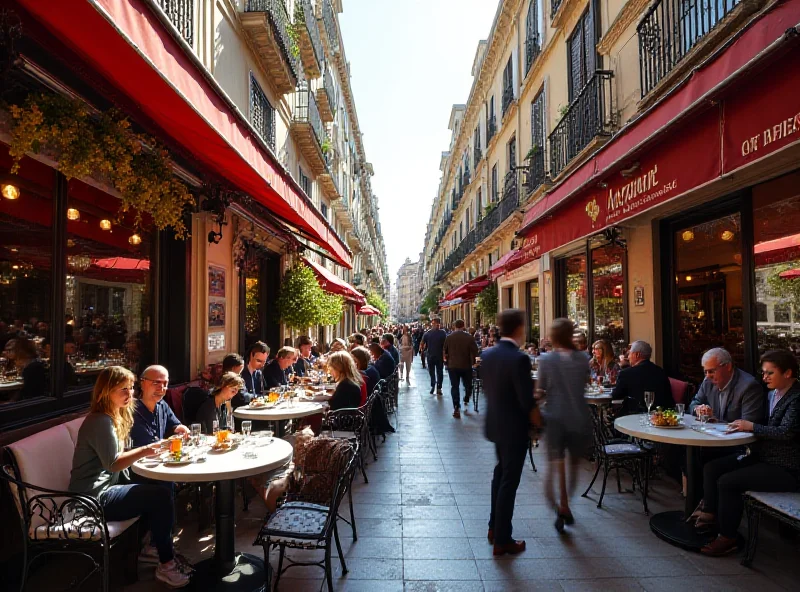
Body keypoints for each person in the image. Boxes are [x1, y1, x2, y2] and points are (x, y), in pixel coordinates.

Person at [68, 366, 190, 588]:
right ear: (106, 391)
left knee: (162, 485)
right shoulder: (100, 421)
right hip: (91, 499)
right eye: (123, 389)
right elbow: (113, 464)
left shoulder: (116, 416)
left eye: (131, 388)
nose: (130, 394)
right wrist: (147, 450)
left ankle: (157, 546)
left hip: (108, 488)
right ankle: (166, 563)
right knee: (160, 497)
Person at [693, 350, 800, 556]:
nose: (765, 378)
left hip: (787, 468)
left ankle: (728, 537)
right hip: (764, 457)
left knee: (728, 482)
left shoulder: (796, 398)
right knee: (713, 467)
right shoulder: (772, 394)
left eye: (770, 373)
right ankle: (710, 516)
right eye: (764, 373)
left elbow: (786, 432)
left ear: (787, 373)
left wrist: (752, 427)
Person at [482, 309, 537, 556]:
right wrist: (539, 423)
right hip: (514, 428)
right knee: (508, 481)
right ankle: (503, 539)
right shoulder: (519, 359)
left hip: (495, 424)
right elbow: (526, 402)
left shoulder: (488, 354)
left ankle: (494, 526)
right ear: (519, 328)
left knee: (500, 474)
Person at [537, 319, 592, 533]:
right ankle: (566, 502)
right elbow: (585, 383)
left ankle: (560, 504)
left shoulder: (547, 360)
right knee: (574, 466)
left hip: (555, 419)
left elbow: (541, 389)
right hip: (578, 418)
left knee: (555, 467)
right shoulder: (582, 359)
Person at [689, 348, 764, 424]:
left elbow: (748, 425)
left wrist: (714, 420)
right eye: (705, 372)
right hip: (712, 433)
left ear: (728, 367)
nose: (708, 376)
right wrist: (698, 409)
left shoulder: (749, 386)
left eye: (711, 371)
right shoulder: (707, 382)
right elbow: (693, 404)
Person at [130, 365, 188, 448]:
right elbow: (148, 444)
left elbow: (174, 424)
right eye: (156, 382)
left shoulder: (162, 405)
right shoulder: (131, 410)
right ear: (142, 383)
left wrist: (180, 428)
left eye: (165, 383)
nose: (161, 388)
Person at [611, 341, 674, 414]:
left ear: (637, 354)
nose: (628, 357)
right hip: (661, 416)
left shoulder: (626, 373)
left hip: (634, 417)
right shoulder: (661, 371)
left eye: (629, 354)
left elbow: (616, 395)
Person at [444, 319, 480, 419]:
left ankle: (456, 406)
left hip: (453, 366)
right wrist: (476, 362)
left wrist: (446, 362)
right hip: (466, 365)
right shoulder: (469, 337)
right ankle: (467, 397)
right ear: (463, 326)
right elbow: (475, 351)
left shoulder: (449, 337)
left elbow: (445, 352)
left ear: (454, 326)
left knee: (454, 386)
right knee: (468, 385)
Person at [421, 318, 447, 396]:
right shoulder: (442, 333)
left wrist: (423, 350)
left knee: (434, 372)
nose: (436, 325)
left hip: (432, 355)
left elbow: (422, 344)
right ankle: (437, 387)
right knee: (438, 372)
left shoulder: (428, 333)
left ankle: (435, 386)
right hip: (436, 355)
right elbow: (445, 345)